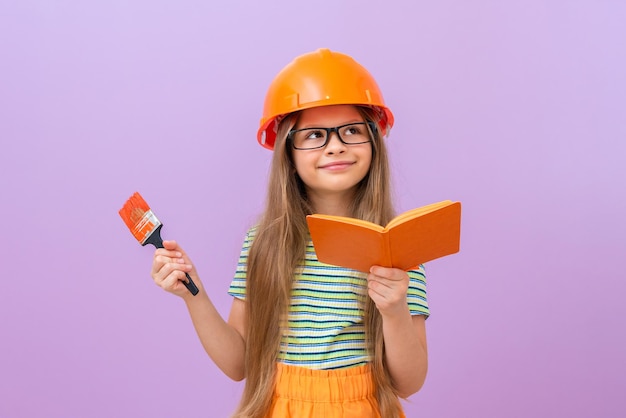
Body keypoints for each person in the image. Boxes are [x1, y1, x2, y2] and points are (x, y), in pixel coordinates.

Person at [150, 48, 429, 418]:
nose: (335, 145)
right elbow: (238, 363)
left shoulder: (398, 245)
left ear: (374, 143)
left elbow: (409, 382)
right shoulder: (264, 242)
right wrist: (193, 293)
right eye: (315, 134)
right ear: (288, 153)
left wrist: (394, 311)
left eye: (351, 131)